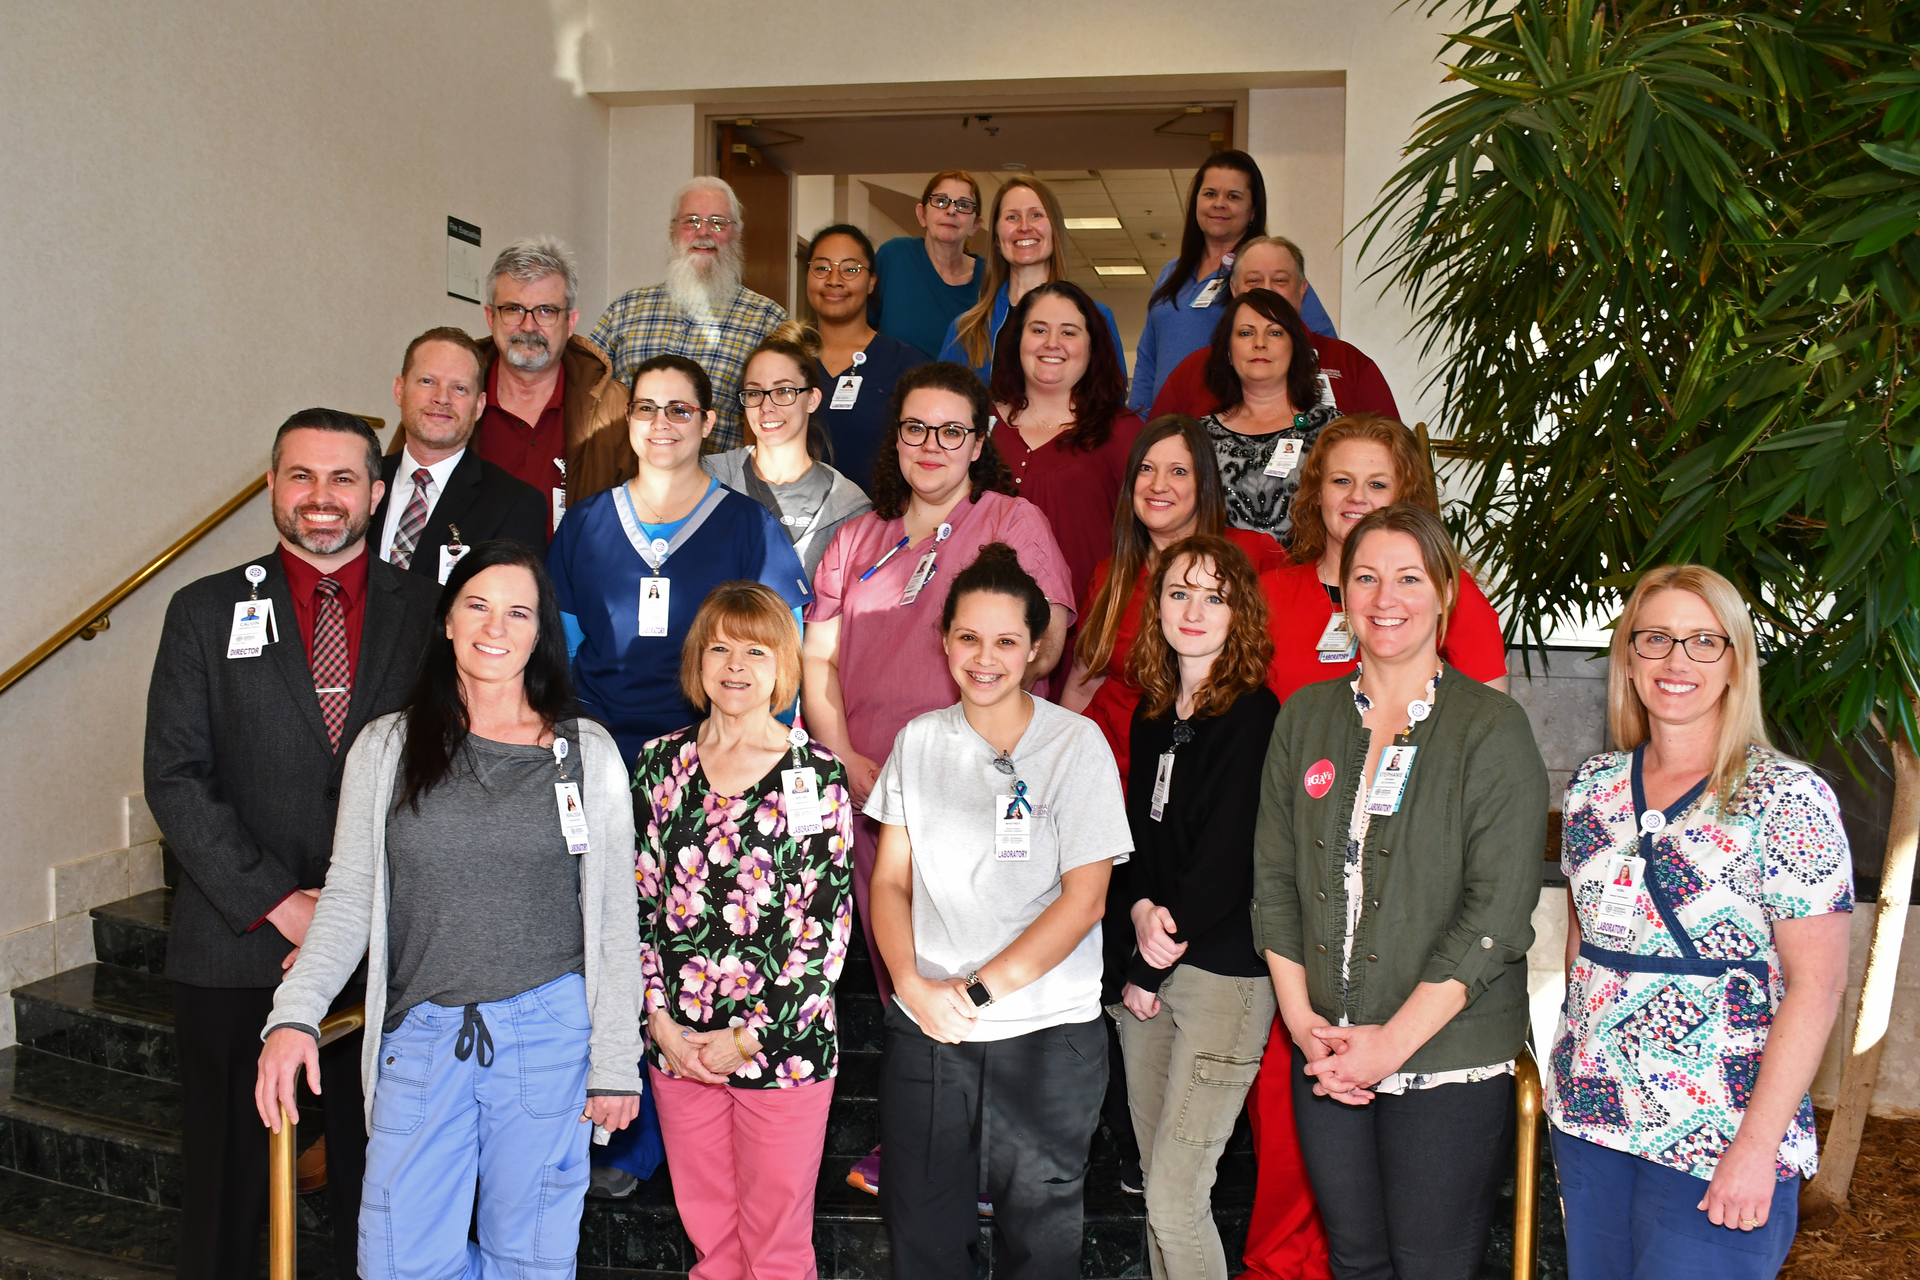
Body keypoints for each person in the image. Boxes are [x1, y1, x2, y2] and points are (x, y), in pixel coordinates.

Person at [255, 540, 643, 1277]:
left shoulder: (586, 753)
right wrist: (294, 1013)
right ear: (446, 621)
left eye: (518, 612)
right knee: (398, 1262)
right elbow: (346, 900)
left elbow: (613, 919)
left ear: (540, 634)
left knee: (527, 1261)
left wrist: (615, 1062)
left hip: (549, 1036)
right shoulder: (388, 746)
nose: (495, 627)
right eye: (477, 605)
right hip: (422, 1036)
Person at [144, 409, 439, 1280]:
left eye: (343, 479)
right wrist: (282, 903)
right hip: (234, 946)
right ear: (272, 485)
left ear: (378, 493)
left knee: (376, 1190)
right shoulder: (201, 611)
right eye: (301, 477)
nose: (321, 498)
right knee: (229, 1191)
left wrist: (351, 910)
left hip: (386, 950)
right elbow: (176, 777)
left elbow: (448, 769)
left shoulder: (430, 614)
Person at [1252, 503, 1546, 1280]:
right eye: (1367, 578)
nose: (1387, 598)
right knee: (1355, 1261)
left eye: (1409, 578)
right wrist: (1303, 1021)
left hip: (1444, 1058)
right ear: (1343, 596)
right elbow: (1275, 881)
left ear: (1446, 592)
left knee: (1431, 1266)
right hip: (1327, 1046)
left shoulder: (1492, 728)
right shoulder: (1305, 718)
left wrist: (1389, 1045)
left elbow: (1498, 913)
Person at [801, 362, 1074, 1197]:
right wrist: (845, 759)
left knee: (979, 970)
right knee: (901, 972)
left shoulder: (1009, 523)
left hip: (977, 791)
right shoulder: (856, 539)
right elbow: (817, 663)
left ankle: (986, 1148)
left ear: (979, 442)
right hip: (873, 789)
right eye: (916, 428)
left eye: (952, 430)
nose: (932, 445)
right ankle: (918, 1140)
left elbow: (1050, 638)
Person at [1546, 565, 1852, 1279]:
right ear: (1627, 656)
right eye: (1655, 639)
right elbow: (1582, 946)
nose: (1676, 660)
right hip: (1594, 1119)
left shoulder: (1788, 798)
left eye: (1702, 641)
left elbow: (1818, 988)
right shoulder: (1594, 787)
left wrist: (1755, 1145)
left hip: (1719, 1130)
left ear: (1735, 660)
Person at [866, 544, 1131, 1279]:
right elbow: (889, 884)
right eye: (969, 638)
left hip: (1047, 1035)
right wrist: (916, 990)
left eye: (1007, 641)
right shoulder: (918, 742)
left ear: (1037, 648)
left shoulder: (1076, 746)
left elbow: (1085, 901)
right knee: (923, 1238)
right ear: (945, 639)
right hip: (931, 1031)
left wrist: (978, 991)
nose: (986, 658)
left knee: (1039, 1249)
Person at [633, 582, 855, 1279]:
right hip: (682, 1049)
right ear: (698, 659)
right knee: (712, 1244)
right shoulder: (659, 764)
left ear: (783, 665)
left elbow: (825, 929)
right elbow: (638, 906)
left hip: (781, 1052)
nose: (735, 665)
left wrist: (747, 1040)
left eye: (755, 650)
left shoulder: (814, 773)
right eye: (720, 647)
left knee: (777, 1250)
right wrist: (660, 1023)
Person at [1117, 534, 1279, 1280]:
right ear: (1157, 606)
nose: (1194, 609)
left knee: (1177, 1199)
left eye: (1215, 596)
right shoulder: (1152, 714)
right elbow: (1139, 844)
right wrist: (1142, 909)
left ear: (1239, 614)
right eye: (1180, 591)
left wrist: (1154, 956)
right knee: (1158, 1187)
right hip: (1153, 964)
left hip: (1221, 976)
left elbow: (1227, 861)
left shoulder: (1252, 713)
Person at [547, 352, 813, 773]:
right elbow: (561, 649)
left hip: (709, 757)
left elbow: (783, 660)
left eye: (680, 410)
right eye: (646, 408)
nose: (660, 423)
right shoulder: (585, 523)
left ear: (707, 422)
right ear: (629, 417)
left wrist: (758, 759)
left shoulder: (750, 527)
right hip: (598, 749)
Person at [1062, 415, 1285, 783]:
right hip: (1107, 774)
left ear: (1204, 484)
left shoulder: (1252, 555)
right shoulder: (1110, 575)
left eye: (1178, 471)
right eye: (1146, 469)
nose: (1158, 485)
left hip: (1209, 774)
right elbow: (1082, 682)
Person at [1262, 413, 1507, 703]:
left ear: (1404, 496)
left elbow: (1490, 717)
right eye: (1341, 481)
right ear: (1317, 492)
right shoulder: (1269, 593)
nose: (1357, 496)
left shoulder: (1445, 591)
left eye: (1377, 485)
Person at [589, 177, 788, 453]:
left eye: (718, 222)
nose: (703, 232)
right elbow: (584, 398)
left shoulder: (767, 320)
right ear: (673, 231)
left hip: (721, 489)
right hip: (626, 485)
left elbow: (782, 422)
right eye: (691, 221)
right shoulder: (624, 310)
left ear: (737, 233)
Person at [988, 280, 1145, 628]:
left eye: (1069, 332)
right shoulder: (975, 424)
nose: (1052, 343)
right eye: (1038, 329)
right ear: (1016, 341)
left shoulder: (1123, 432)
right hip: (986, 637)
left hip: (1090, 641)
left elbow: (1150, 542)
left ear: (1093, 346)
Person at [473, 236, 632, 531]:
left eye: (546, 310)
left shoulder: (615, 409)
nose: (529, 325)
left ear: (571, 322)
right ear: (489, 316)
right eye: (513, 309)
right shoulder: (453, 394)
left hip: (573, 577)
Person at [1149, 236, 1397, 423]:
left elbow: (1394, 455)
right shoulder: (1194, 371)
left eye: (1280, 280)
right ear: (1234, 291)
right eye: (1253, 280)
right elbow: (1154, 455)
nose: (1267, 290)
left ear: (1302, 290)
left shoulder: (1349, 363)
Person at [373, 327, 548, 584]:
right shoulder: (360, 482)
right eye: (427, 381)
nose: (442, 398)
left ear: (479, 405)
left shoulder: (515, 505)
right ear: (399, 390)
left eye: (459, 388)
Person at [703, 323, 873, 577]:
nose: (766, 406)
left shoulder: (849, 506)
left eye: (783, 391)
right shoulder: (708, 477)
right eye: (754, 392)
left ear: (812, 399)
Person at [937, 173, 1124, 384]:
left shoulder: (1096, 319)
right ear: (997, 238)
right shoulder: (966, 330)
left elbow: (1111, 406)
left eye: (1036, 215)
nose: (1024, 227)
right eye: (1012, 217)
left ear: (1054, 230)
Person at [1199, 288, 1342, 544]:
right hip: (1223, 580)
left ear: (1295, 348)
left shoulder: (1333, 430)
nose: (1260, 343)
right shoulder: (1199, 437)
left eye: (1275, 332)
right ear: (1229, 353)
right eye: (1246, 333)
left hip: (1310, 580)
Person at [1128, 152, 1264, 414]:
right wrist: (1138, 423)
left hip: (1233, 432)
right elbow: (1147, 358)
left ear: (1253, 211)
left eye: (1233, 196)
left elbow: (1316, 345)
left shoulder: (1266, 272)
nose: (1219, 204)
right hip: (1165, 433)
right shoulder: (1172, 272)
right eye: (1210, 194)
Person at [801, 223, 929, 492]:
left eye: (850, 269)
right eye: (822, 267)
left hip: (880, 524)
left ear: (871, 282)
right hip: (790, 525)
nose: (834, 279)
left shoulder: (906, 365)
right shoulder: (787, 359)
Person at [871, 171, 986, 360]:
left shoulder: (990, 277)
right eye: (941, 201)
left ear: (976, 224)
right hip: (895, 388)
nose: (951, 210)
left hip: (965, 388)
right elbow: (857, 330)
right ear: (921, 214)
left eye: (964, 205)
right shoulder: (895, 257)